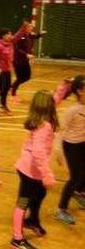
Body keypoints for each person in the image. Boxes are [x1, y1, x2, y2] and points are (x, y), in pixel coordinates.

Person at [11, 85, 66, 249]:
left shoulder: (42, 118)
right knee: (23, 202)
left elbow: (55, 100)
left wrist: (63, 88)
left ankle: (32, 220)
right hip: (29, 169)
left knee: (41, 193)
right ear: (47, 106)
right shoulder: (45, 126)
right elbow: (38, 153)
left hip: (31, 168)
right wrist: (47, 174)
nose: (54, 103)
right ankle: (17, 239)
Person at [55, 75, 85, 226]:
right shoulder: (72, 110)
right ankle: (61, 209)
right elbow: (60, 131)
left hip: (83, 144)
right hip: (71, 146)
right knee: (74, 177)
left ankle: (79, 193)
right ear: (80, 91)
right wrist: (58, 151)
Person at [10, 21, 46, 103]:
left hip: (25, 60)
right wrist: (26, 54)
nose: (31, 28)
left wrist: (41, 34)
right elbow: (17, 49)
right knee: (20, 78)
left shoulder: (28, 35)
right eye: (29, 27)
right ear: (25, 28)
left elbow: (35, 36)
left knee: (27, 77)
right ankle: (13, 94)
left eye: (31, 27)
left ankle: (12, 86)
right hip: (18, 61)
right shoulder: (20, 37)